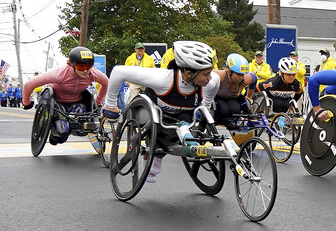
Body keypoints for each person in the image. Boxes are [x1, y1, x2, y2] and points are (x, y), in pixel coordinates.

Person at [103, 41, 220, 183]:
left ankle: (158, 154)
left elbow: (216, 82)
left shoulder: (211, 82)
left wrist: (206, 106)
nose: (210, 77)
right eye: (207, 74)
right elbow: (118, 72)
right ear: (189, 73)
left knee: (184, 124)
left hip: (180, 117)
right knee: (162, 125)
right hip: (150, 113)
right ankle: (155, 152)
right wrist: (110, 105)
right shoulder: (162, 78)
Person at [22, 47, 110, 145]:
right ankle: (56, 135)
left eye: (89, 66)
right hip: (56, 102)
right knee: (62, 130)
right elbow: (29, 85)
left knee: (81, 126)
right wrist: (26, 102)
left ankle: (63, 133)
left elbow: (105, 83)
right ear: (71, 64)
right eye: (81, 67)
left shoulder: (93, 73)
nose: (85, 71)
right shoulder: (60, 73)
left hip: (77, 102)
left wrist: (98, 102)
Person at [211, 53, 259, 125]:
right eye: (238, 74)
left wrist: (249, 96)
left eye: (242, 74)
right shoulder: (219, 76)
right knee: (224, 110)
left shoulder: (245, 79)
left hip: (233, 99)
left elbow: (254, 78)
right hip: (217, 98)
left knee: (235, 110)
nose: (241, 78)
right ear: (229, 72)